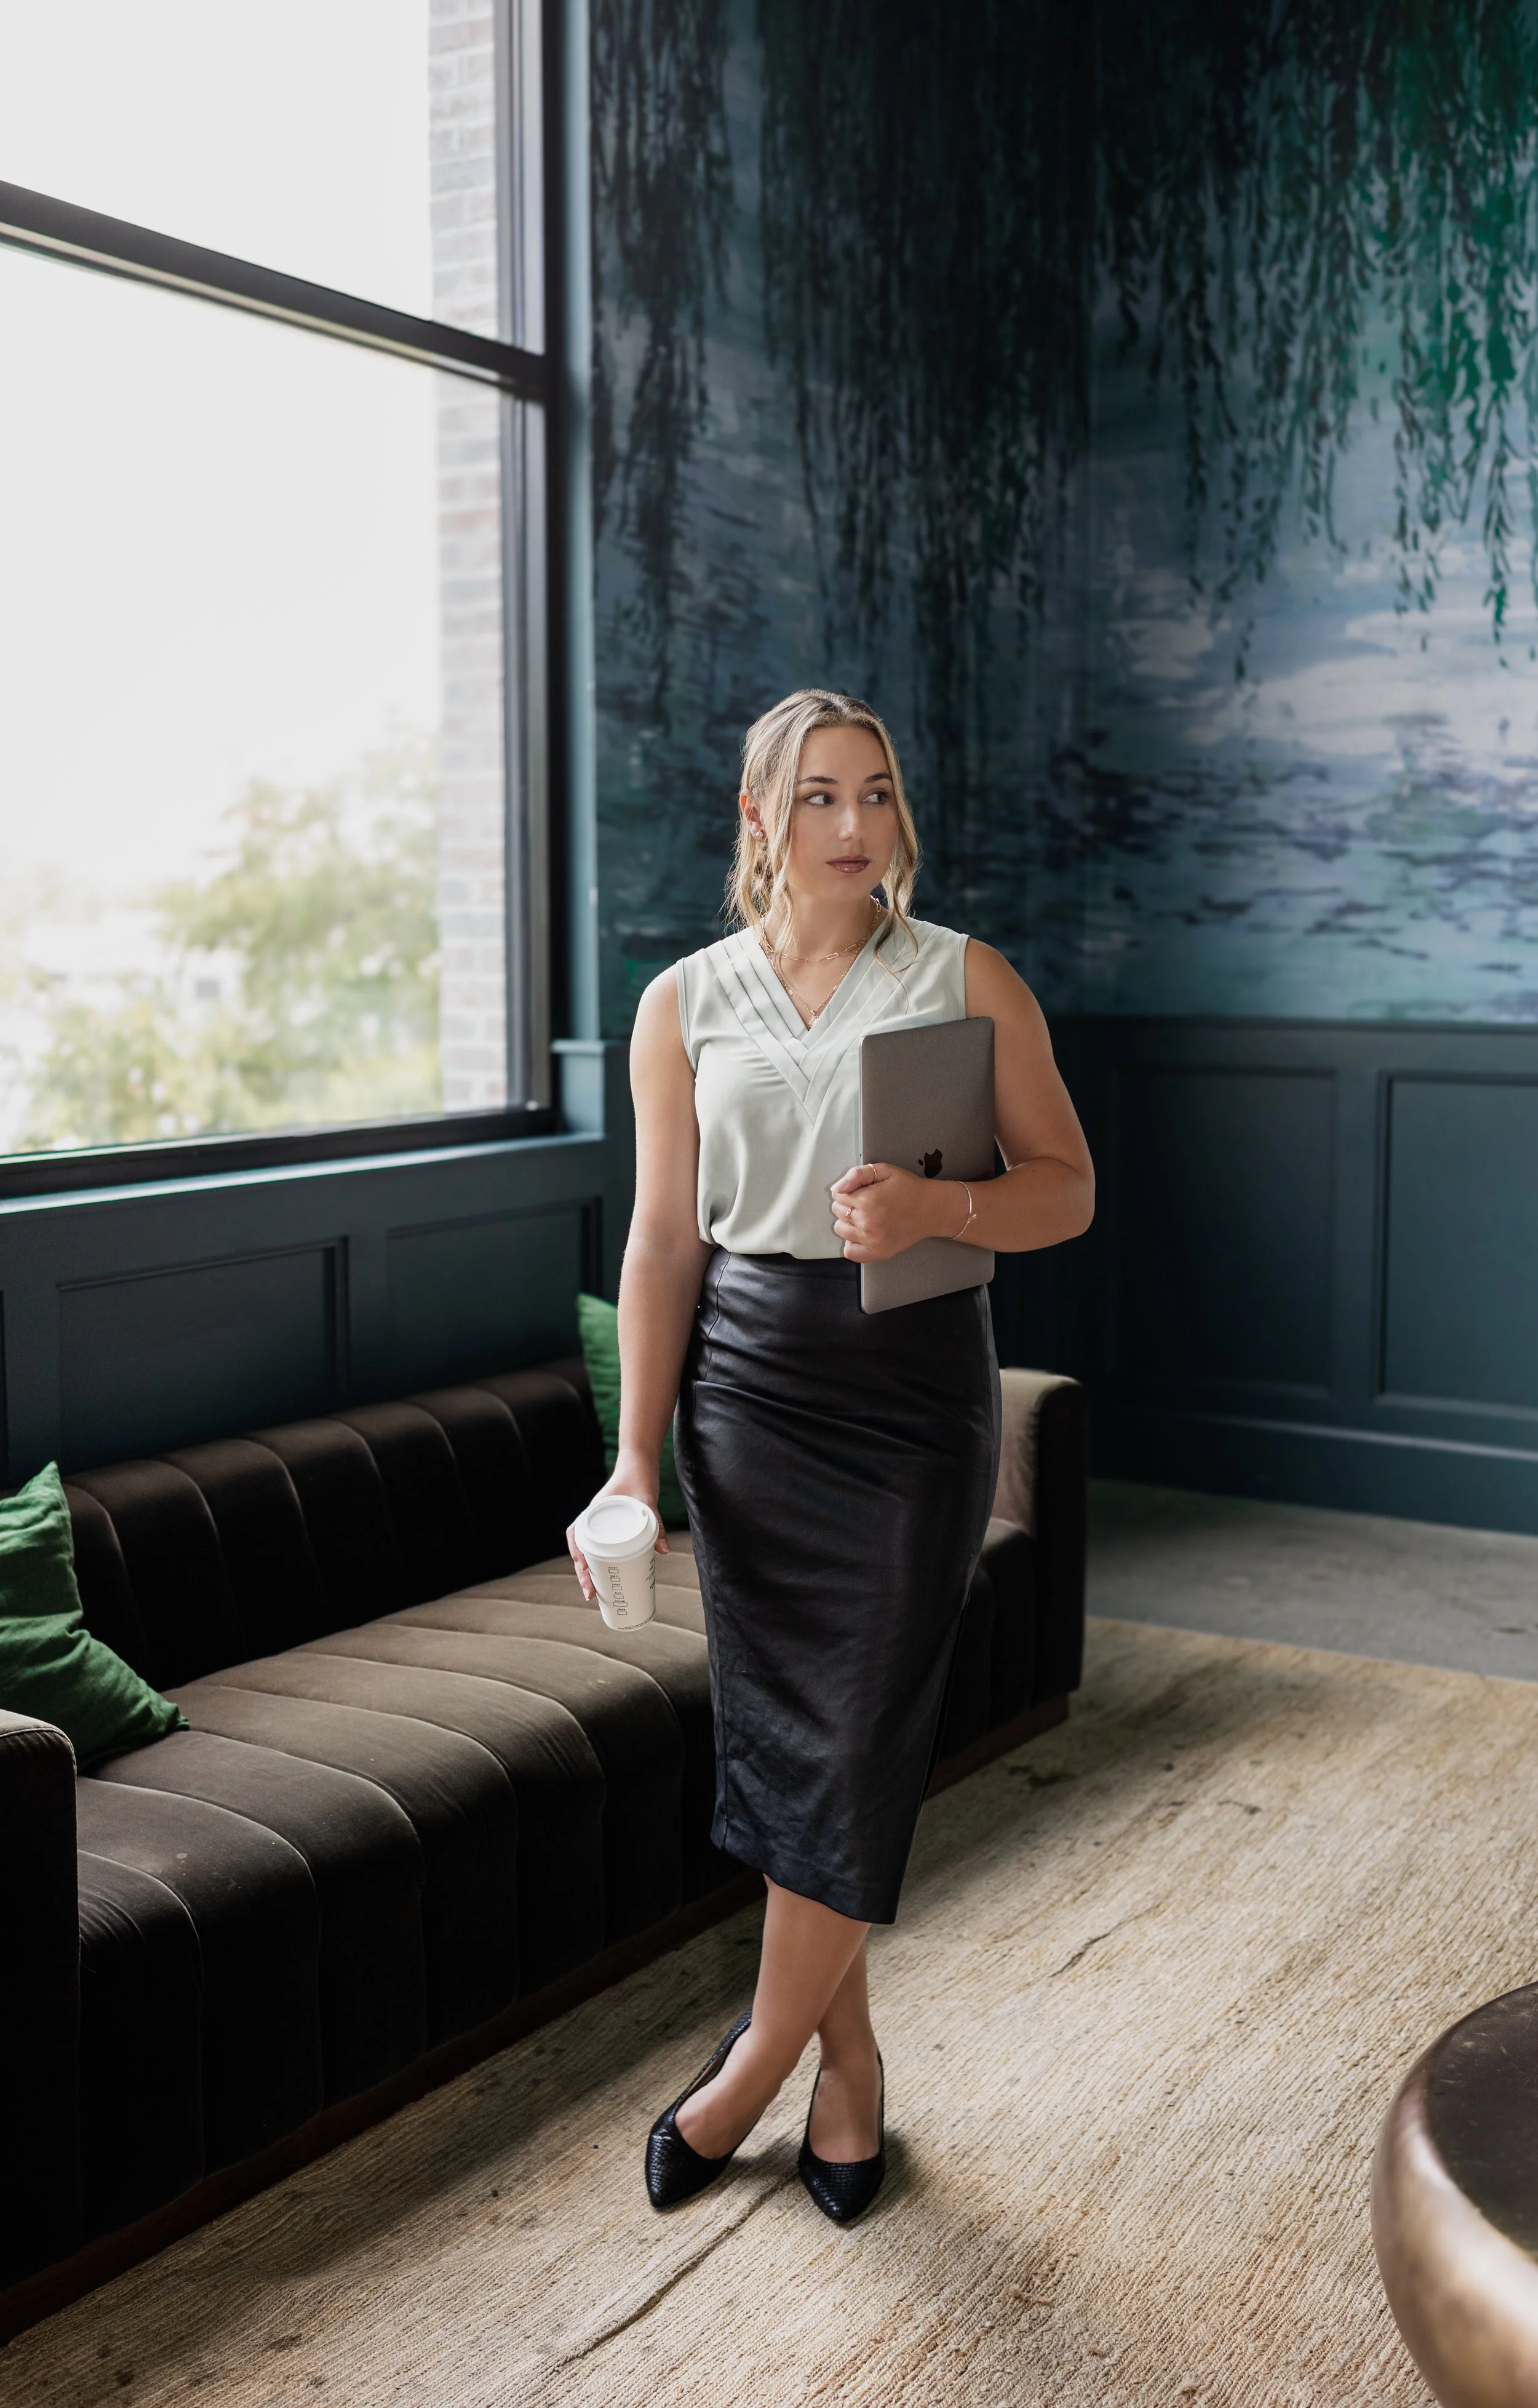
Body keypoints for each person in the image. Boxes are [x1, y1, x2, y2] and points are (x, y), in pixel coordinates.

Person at [567, 687, 1094, 2225]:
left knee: (858, 1732)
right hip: (746, 1396)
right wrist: (632, 1462)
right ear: (758, 819)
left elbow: (1063, 1189)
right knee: (798, 1746)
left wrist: (942, 1209)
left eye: (874, 793)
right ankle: (848, 2077)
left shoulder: (963, 978)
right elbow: (664, 1242)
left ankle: (746, 2069)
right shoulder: (682, 1004)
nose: (855, 826)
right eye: (817, 798)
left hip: (914, 1396)